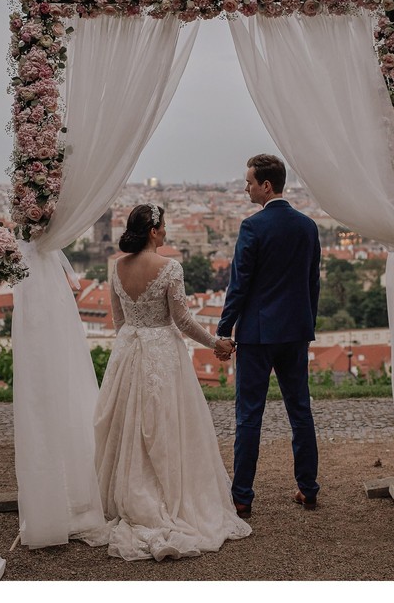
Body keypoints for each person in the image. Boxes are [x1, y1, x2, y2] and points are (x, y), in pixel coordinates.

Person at [79, 203, 250, 561]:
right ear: (154, 231)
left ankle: (125, 494)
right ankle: (170, 499)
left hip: (129, 350)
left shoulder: (116, 267)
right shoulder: (170, 267)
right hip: (161, 351)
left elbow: (118, 321)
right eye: (165, 226)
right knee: (168, 424)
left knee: (126, 425)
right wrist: (216, 342)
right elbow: (184, 321)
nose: (167, 231)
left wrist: (132, 344)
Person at [216, 154, 321, 519]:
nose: (245, 187)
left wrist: (223, 328)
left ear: (266, 185)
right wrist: (308, 323)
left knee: (249, 416)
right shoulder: (308, 226)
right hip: (295, 331)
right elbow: (313, 283)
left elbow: (239, 285)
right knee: (300, 410)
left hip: (259, 334)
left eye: (248, 182)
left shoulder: (253, 227)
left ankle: (242, 496)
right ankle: (308, 489)